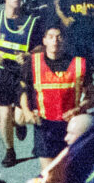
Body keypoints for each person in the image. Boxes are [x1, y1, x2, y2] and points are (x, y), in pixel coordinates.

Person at [0, 0, 44, 167]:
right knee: (4, 114)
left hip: (23, 75)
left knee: (19, 117)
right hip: (3, 74)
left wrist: (28, 55)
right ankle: (9, 151)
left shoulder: (31, 21)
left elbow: (40, 47)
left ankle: (19, 124)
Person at [25, 24, 90, 163]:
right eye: (51, 37)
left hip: (70, 126)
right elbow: (22, 90)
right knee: (49, 174)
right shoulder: (32, 63)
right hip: (44, 126)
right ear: (44, 40)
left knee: (71, 172)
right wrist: (26, 111)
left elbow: (91, 94)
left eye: (59, 37)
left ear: (65, 40)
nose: (55, 41)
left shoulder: (78, 64)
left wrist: (80, 108)